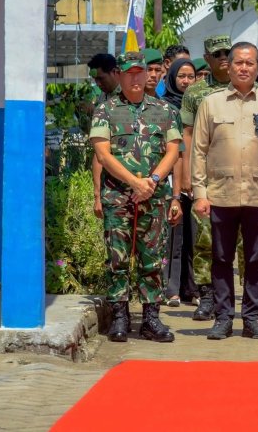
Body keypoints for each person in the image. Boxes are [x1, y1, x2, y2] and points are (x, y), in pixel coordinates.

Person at [191, 42, 258, 340]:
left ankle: (252, 318)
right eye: (239, 63)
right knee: (221, 258)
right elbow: (198, 150)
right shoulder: (212, 103)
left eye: (250, 63)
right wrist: (199, 192)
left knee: (257, 258)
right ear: (230, 66)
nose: (244, 67)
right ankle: (223, 317)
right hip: (220, 193)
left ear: (257, 67)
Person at [90, 51, 181, 343]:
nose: (136, 78)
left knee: (152, 258)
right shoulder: (106, 109)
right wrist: (133, 182)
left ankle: (151, 318)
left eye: (141, 72)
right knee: (117, 258)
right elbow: (102, 153)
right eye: (130, 73)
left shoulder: (164, 110)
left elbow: (173, 150)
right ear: (120, 74)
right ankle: (120, 316)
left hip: (153, 197)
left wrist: (152, 181)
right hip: (118, 197)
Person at [180, 35, 233, 321]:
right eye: (218, 53)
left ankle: (248, 300)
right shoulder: (196, 93)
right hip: (207, 179)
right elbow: (186, 135)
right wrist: (187, 174)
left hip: (242, 178)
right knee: (204, 240)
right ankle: (207, 296)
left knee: (244, 243)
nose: (224, 57)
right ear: (208, 58)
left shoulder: (250, 86)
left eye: (228, 51)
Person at [160, 58, 197, 307]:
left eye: (190, 76)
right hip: (171, 179)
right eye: (181, 76)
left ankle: (191, 288)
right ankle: (170, 288)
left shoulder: (200, 106)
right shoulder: (164, 107)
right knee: (174, 236)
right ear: (172, 77)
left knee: (193, 238)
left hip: (196, 179)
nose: (185, 81)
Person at [86, 53, 119, 222]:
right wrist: (97, 194)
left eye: (101, 79)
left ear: (115, 72)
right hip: (110, 181)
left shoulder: (127, 98)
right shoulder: (103, 98)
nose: (98, 84)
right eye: (95, 81)